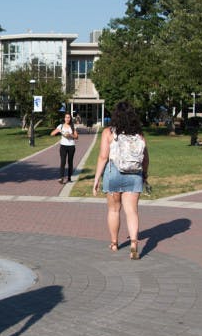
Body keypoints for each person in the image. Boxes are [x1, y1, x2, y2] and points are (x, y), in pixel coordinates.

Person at [92, 101, 149, 259]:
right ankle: (133, 245)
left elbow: (103, 157)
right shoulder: (139, 134)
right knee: (132, 212)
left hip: (113, 174)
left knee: (114, 210)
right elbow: (145, 158)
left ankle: (114, 243)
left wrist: (97, 179)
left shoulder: (108, 132)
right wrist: (144, 174)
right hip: (134, 175)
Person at [50, 112, 79, 183]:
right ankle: (61, 178)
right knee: (63, 162)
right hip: (63, 146)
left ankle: (69, 178)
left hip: (71, 146)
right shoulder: (61, 126)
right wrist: (59, 131)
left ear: (70, 118)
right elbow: (52, 134)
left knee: (70, 162)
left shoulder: (73, 126)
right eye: (66, 117)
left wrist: (70, 135)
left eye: (69, 117)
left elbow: (76, 137)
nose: (67, 119)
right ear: (64, 118)